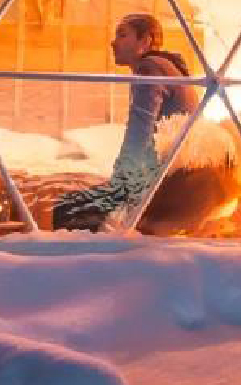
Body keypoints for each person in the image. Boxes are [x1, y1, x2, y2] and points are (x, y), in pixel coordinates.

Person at [52, 13, 197, 232]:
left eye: (122, 35)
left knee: (67, 208)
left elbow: (140, 130)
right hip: (184, 182)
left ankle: (89, 264)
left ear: (145, 40)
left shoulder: (149, 68)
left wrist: (120, 182)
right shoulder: (169, 67)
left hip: (166, 185)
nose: (113, 42)